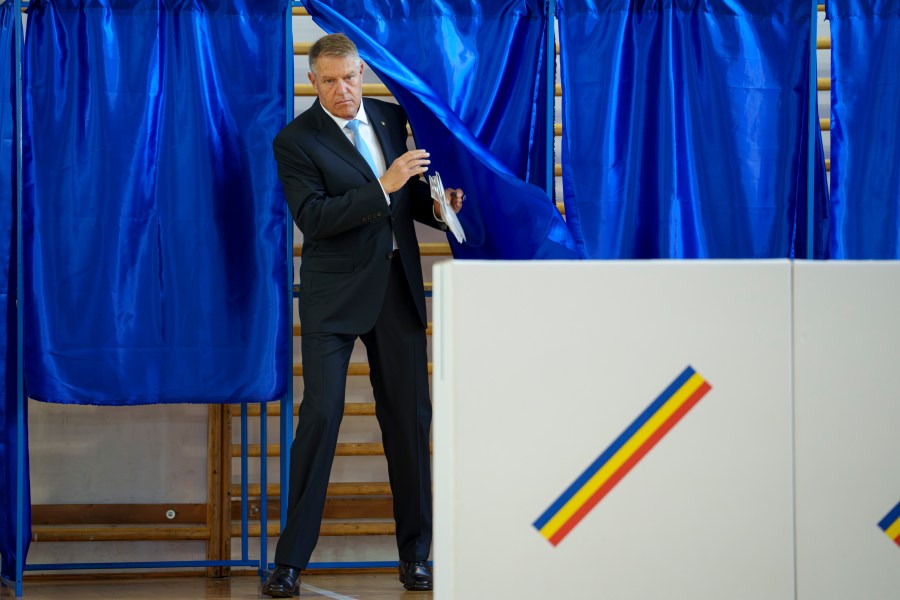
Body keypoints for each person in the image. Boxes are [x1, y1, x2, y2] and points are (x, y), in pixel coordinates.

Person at [262, 33, 463, 597]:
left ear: (360, 71)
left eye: (349, 77)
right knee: (320, 419)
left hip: (396, 290)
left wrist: (439, 207)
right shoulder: (295, 141)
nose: (343, 89)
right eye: (329, 81)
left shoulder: (389, 115)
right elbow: (316, 218)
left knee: (409, 420)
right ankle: (289, 565)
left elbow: (406, 202)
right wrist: (386, 182)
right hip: (334, 297)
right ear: (313, 82)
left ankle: (415, 558)